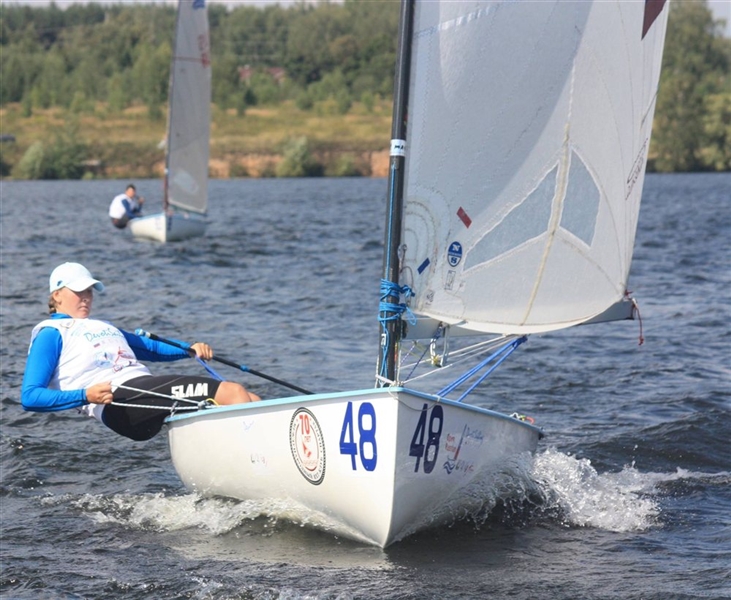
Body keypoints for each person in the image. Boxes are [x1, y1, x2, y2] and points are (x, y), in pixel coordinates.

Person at [21, 262, 260, 441]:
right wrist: (85, 395)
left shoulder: (103, 326)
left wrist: (189, 349)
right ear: (57, 295)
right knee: (232, 392)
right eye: (79, 291)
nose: (86, 297)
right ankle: (254, 462)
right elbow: (30, 396)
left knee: (252, 399)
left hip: (141, 391)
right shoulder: (50, 333)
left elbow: (150, 347)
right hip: (118, 403)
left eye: (90, 291)